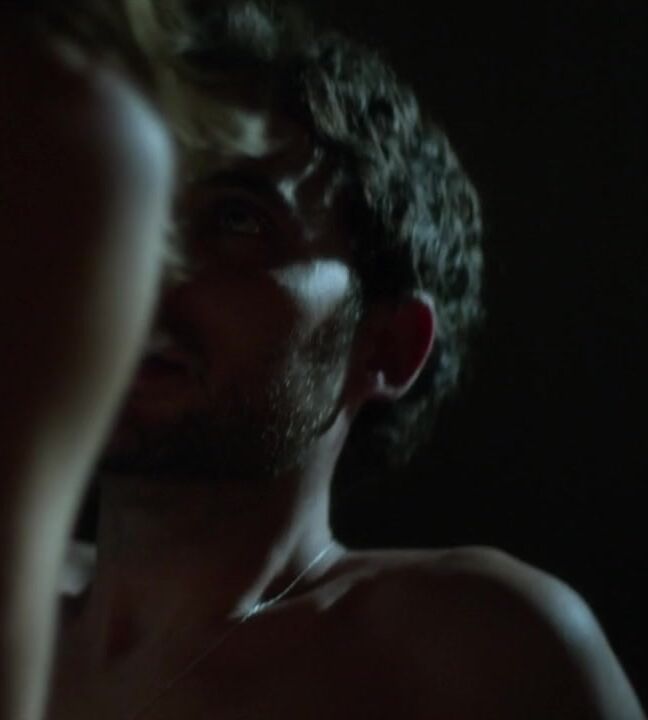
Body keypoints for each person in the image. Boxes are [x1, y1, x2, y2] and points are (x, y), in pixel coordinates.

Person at [1, 1, 644, 719]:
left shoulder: (463, 654)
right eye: (142, 216)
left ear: (390, 347)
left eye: (237, 220)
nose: (147, 272)